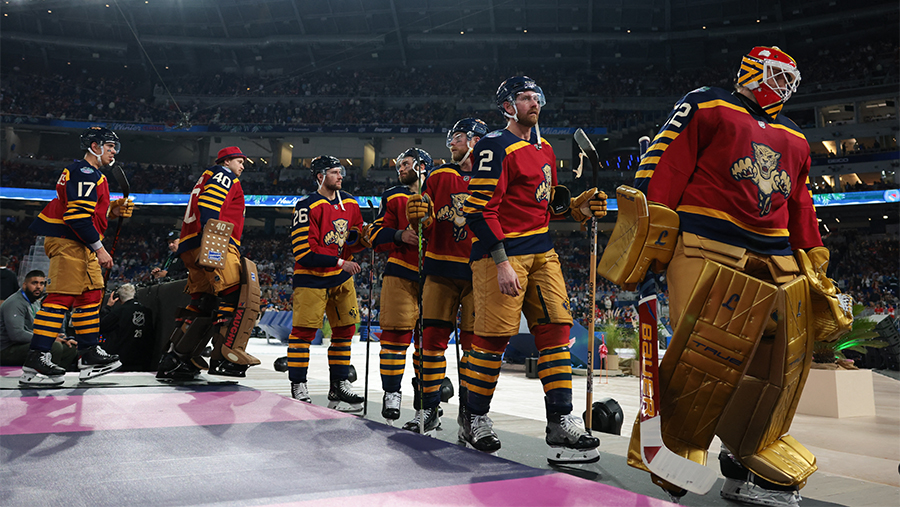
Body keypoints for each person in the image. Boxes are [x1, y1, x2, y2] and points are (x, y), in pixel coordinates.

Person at [617, 46, 847, 506]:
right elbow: (665, 165)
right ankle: (678, 447)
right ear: (751, 71)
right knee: (709, 354)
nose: (784, 85)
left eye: (790, 78)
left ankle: (748, 456)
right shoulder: (707, 103)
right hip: (707, 241)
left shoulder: (796, 136)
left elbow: (800, 203)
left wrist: (813, 259)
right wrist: (647, 242)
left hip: (776, 254)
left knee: (780, 362)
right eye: (777, 74)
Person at [461, 76, 607, 463]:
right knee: (492, 338)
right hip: (502, 254)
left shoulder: (545, 149)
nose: (534, 103)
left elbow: (546, 205)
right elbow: (478, 210)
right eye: (524, 97)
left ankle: (560, 421)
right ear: (507, 107)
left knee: (556, 331)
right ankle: (474, 417)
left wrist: (578, 207)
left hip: (542, 250)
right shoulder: (494, 145)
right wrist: (501, 262)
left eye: (536, 97)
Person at [18, 127, 133, 386]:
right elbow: (77, 217)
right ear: (95, 146)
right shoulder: (84, 172)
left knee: (91, 295)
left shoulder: (91, 174)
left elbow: (86, 213)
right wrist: (100, 248)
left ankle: (89, 354)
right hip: (70, 241)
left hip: (80, 243)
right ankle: (37, 357)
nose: (114, 151)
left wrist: (111, 210)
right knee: (60, 298)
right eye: (110, 146)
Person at [401, 119, 487, 435]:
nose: (451, 142)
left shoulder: (495, 175)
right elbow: (423, 221)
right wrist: (418, 215)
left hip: (481, 271)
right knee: (429, 345)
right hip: (439, 272)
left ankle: (470, 415)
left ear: (476, 141)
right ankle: (427, 410)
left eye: (458, 137)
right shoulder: (437, 176)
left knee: (476, 348)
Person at [157, 146, 261, 380]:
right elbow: (211, 203)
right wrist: (211, 237)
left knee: (201, 302)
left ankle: (175, 358)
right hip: (215, 240)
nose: (242, 166)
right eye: (239, 161)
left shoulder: (205, 177)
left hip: (190, 244)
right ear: (226, 161)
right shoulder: (224, 174)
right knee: (236, 295)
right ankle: (224, 357)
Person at [287, 155, 367, 413]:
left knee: (345, 331)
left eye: (341, 171)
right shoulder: (306, 206)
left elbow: (354, 238)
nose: (340, 176)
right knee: (302, 334)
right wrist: (340, 262)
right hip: (311, 278)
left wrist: (365, 238)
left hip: (341, 279)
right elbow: (303, 252)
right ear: (320, 176)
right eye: (334, 172)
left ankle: (339, 385)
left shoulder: (351, 202)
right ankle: (298, 384)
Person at [368, 148, 430, 426]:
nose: (400, 168)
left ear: (421, 166)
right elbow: (375, 234)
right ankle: (391, 393)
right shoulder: (392, 195)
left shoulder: (440, 191)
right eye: (399, 165)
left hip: (437, 276)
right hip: (400, 272)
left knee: (429, 345)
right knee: (394, 336)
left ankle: (426, 403)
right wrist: (399, 235)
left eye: (405, 164)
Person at [1, 270, 77, 369]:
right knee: (54, 346)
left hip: (24, 344)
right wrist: (47, 338)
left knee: (70, 348)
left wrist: (55, 336)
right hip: (6, 349)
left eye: (42, 284)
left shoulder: (35, 302)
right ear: (24, 285)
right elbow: (17, 335)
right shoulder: (15, 303)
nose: (38, 287)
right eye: (34, 283)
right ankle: (45, 373)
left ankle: (58, 374)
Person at [100, 283, 154, 371]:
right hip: (142, 359)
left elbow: (102, 326)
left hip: (121, 360)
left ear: (118, 298)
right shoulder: (147, 312)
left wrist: (108, 307)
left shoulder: (118, 312)